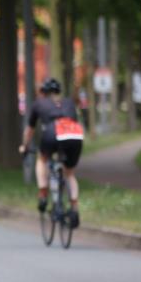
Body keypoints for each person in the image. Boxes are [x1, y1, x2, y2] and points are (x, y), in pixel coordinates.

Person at [20, 77, 84, 228]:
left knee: (42, 160)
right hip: (74, 134)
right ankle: (74, 207)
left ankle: (43, 193)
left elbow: (30, 130)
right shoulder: (68, 102)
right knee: (69, 174)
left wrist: (24, 146)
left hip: (52, 131)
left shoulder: (39, 103)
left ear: (42, 92)